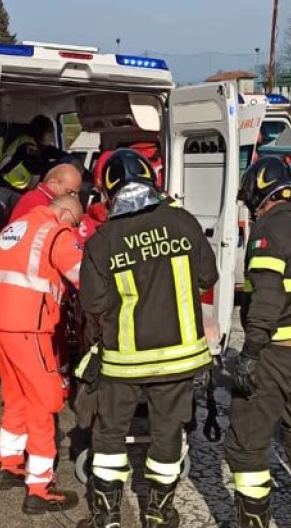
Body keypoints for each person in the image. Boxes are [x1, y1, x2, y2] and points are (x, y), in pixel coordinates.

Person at [75, 149, 218, 528]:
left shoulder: (102, 239)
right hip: (179, 358)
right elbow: (208, 277)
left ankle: (105, 516)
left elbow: (93, 302)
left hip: (123, 361)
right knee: (168, 435)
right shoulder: (183, 222)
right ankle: (158, 512)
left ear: (108, 193)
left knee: (109, 436)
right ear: (152, 181)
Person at [225, 156, 291, 528]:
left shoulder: (268, 233)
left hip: (273, 356)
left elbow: (267, 300)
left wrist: (250, 353)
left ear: (260, 193)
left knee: (247, 443)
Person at [0, 195, 85, 515]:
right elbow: (84, 276)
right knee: (45, 401)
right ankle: (40, 487)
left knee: (16, 396)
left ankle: (9, 464)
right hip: (30, 328)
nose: (73, 229)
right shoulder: (56, 233)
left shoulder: (15, 228)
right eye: (74, 223)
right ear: (66, 213)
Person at [8, 163, 84, 224]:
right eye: (69, 192)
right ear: (52, 183)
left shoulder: (36, 198)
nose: (74, 198)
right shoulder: (39, 204)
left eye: (76, 194)